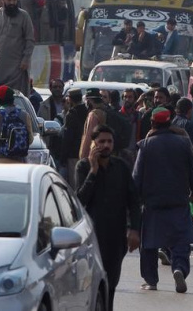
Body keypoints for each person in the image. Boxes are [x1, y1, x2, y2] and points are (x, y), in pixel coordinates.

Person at [133, 107, 193, 293]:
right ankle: (179, 268)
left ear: (153, 123)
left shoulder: (146, 145)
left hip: (152, 203)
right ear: (169, 122)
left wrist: (133, 201)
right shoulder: (183, 143)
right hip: (179, 201)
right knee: (180, 241)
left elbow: (136, 177)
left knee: (148, 244)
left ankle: (151, 280)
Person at [75, 126, 141, 310]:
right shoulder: (83, 167)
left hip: (115, 238)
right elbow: (80, 200)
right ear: (93, 144)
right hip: (90, 239)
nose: (105, 145)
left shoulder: (121, 167)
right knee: (92, 286)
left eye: (109, 141)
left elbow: (133, 201)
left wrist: (134, 229)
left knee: (110, 285)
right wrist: (93, 171)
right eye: (101, 141)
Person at [0, 0, 35, 95]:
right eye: (9, 0)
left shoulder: (24, 16)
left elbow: (30, 40)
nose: (12, 2)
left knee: (17, 95)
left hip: (18, 67)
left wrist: (26, 59)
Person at [0, 85, 34, 164]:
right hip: (21, 162)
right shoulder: (25, 115)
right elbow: (30, 140)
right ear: (13, 99)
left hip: (0, 161)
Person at [62, 89, 88, 179]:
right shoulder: (87, 111)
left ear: (70, 99)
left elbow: (68, 136)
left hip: (73, 153)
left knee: (75, 182)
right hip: (86, 151)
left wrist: (63, 155)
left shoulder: (72, 113)